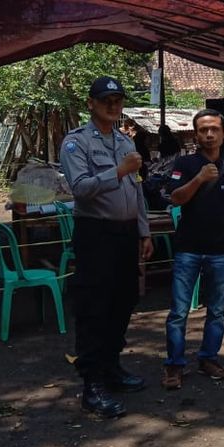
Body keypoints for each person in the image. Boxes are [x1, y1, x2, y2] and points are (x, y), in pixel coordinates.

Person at [60, 76, 154, 418]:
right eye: (106, 100)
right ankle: (92, 384)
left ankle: (112, 368)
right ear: (91, 103)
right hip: (96, 235)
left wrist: (144, 233)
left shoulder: (125, 142)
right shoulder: (76, 143)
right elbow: (81, 188)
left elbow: (138, 191)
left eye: (117, 100)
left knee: (123, 301)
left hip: (126, 235)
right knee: (94, 307)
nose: (113, 106)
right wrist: (118, 171)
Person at [161, 109, 224, 390]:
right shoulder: (185, 164)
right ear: (196, 134)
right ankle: (174, 365)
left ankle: (208, 358)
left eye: (214, 129)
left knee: (218, 310)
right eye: (203, 130)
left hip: (220, 250)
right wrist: (199, 178)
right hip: (188, 249)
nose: (209, 134)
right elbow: (175, 199)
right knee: (179, 311)